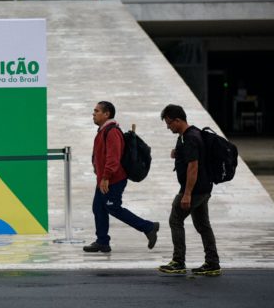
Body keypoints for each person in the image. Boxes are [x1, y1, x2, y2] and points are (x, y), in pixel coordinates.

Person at [83, 101, 159, 253]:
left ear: (107, 114)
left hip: (113, 179)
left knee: (113, 207)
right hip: (104, 179)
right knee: (98, 207)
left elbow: (113, 157)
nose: (94, 113)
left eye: (97, 111)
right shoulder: (103, 130)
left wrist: (105, 177)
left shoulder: (112, 132)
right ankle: (102, 241)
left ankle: (148, 227)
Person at [159, 104, 221, 276]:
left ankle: (178, 261)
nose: (168, 126)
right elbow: (193, 158)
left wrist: (186, 194)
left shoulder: (190, 138)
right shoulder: (191, 134)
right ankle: (212, 263)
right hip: (204, 187)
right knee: (203, 225)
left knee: (175, 219)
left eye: (169, 123)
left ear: (178, 120)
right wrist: (178, 153)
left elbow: (193, 167)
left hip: (194, 190)